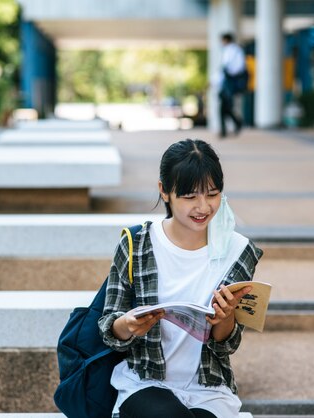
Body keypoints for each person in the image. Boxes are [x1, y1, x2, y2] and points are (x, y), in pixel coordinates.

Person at [98, 138, 263, 418]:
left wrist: (225, 318)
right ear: (165, 191)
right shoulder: (136, 244)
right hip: (145, 381)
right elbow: (108, 328)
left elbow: (227, 344)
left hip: (208, 388)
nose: (203, 207)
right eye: (190, 197)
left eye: (212, 194)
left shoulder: (238, 250)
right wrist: (127, 325)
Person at [218, 33, 247, 138]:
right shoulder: (228, 51)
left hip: (230, 82)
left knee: (225, 107)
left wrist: (230, 74)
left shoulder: (235, 50)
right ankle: (233, 124)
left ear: (226, 40)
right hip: (226, 82)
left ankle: (226, 129)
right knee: (225, 107)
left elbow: (238, 67)